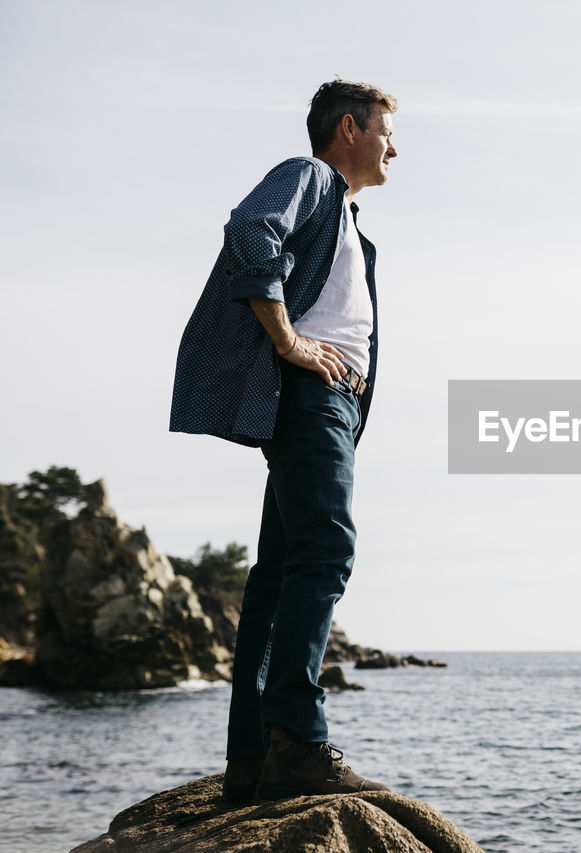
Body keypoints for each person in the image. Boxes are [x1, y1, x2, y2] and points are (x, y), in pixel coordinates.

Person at [170, 79, 398, 802]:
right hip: (310, 400)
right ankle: (299, 741)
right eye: (386, 130)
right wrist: (292, 342)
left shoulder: (352, 228)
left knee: (276, 578)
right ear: (348, 128)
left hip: (326, 407)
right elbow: (250, 229)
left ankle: (250, 764)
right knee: (327, 551)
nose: (395, 146)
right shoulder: (310, 178)